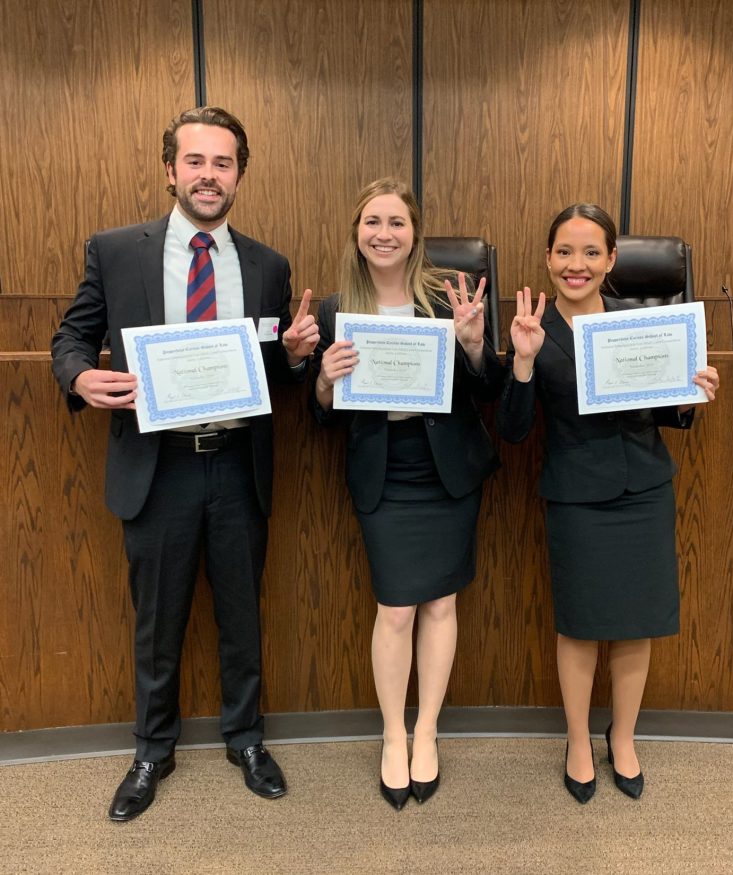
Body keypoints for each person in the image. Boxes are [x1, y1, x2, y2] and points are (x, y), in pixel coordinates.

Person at [51, 106, 319, 821]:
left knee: (242, 614)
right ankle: (151, 749)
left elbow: (277, 369)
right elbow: (71, 338)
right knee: (156, 620)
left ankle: (247, 739)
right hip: (157, 465)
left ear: (240, 176)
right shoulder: (116, 251)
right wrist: (79, 377)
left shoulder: (267, 265)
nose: (209, 175)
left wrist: (294, 356)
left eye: (223, 163)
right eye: (195, 161)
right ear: (170, 169)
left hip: (238, 465)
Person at [497, 203, 720, 803]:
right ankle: (576, 740)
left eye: (591, 252)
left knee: (635, 627)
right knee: (580, 627)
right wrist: (521, 362)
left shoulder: (639, 319)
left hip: (645, 489)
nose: (577, 265)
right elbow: (514, 431)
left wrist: (690, 393)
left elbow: (662, 407)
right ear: (548, 259)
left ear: (612, 259)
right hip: (576, 496)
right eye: (565, 252)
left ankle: (623, 737)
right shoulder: (532, 326)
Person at [310, 178, 503, 809]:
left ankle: (427, 733)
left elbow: (487, 390)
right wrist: (323, 384)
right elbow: (321, 415)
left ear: (414, 233)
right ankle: (393, 735)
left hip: (445, 471)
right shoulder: (336, 308)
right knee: (395, 609)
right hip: (384, 473)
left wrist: (473, 344)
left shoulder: (450, 299)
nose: (384, 233)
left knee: (441, 607)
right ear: (357, 232)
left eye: (397, 221)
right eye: (372, 221)